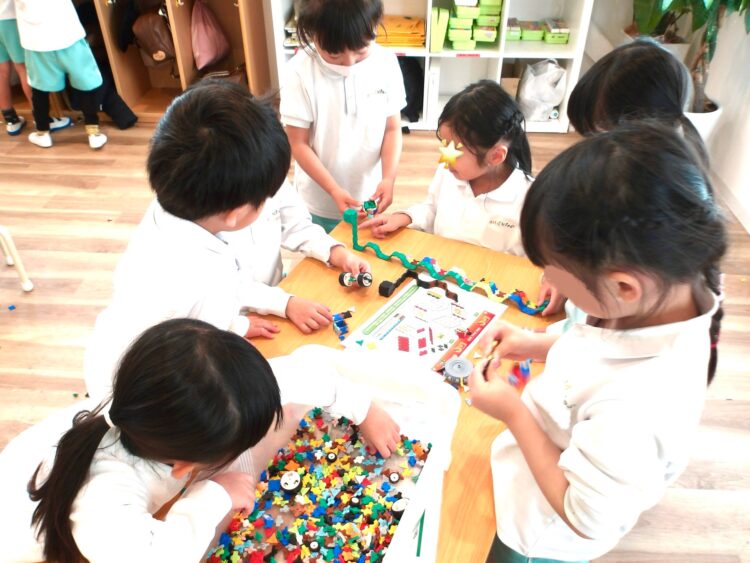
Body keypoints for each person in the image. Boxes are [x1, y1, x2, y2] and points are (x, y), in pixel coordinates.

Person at [468, 122, 726, 562]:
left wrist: (512, 411)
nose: (547, 280)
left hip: (538, 531)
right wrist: (532, 342)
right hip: (527, 469)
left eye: (554, 272)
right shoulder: (657, 296)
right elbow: (593, 349)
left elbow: (583, 515)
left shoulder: (640, 408)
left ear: (623, 286)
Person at [0, 318, 400, 562]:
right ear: (185, 467)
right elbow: (157, 556)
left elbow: (296, 375)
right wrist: (215, 495)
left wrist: (365, 409)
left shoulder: (197, 393)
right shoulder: (105, 499)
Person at [83, 79, 368, 402]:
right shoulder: (188, 278)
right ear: (236, 213)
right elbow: (202, 353)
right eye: (266, 197)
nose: (272, 198)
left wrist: (240, 323)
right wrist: (234, 329)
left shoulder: (187, 204)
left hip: (175, 351)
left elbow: (228, 284)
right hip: (143, 393)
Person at [539, 38, 712, 316]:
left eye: (598, 136)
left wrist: (576, 279)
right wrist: (565, 272)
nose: (590, 150)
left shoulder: (660, 204)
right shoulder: (632, 168)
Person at [361, 80, 532, 257]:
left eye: (455, 148)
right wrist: (405, 217)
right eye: (444, 144)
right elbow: (432, 209)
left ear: (495, 156)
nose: (444, 157)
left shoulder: (529, 200)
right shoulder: (449, 172)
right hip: (441, 268)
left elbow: (531, 263)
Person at [280, 0, 405, 233]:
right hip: (319, 203)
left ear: (375, 25)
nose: (349, 62)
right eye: (334, 53)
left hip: (369, 198)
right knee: (323, 252)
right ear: (312, 33)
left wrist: (389, 178)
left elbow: (392, 129)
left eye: (361, 49)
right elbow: (298, 144)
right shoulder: (299, 73)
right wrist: (333, 189)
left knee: (363, 252)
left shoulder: (386, 63)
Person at [13, 0, 106, 149]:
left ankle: (42, 133)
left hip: (36, 39)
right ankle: (93, 133)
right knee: (85, 83)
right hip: (67, 33)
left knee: (39, 89)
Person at [0, 2, 70, 135]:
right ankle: (42, 120)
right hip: (9, 18)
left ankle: (11, 120)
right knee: (25, 68)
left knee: (1, 72)